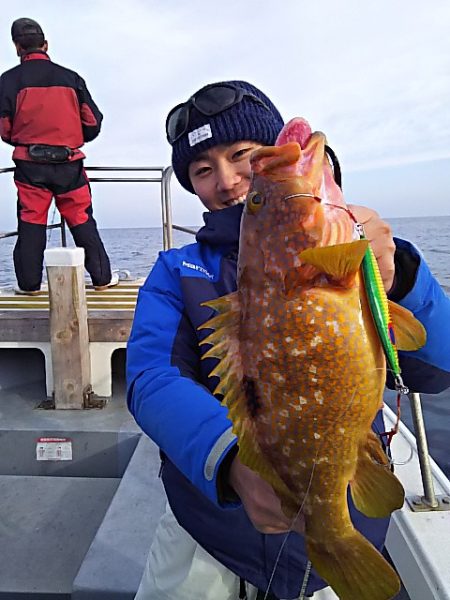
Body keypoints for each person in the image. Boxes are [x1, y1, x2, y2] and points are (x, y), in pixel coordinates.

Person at [126, 80, 450, 599]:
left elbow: (438, 369)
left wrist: (403, 282)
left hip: (342, 515)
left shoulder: (368, 257)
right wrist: (232, 461)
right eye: (202, 170)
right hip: (213, 526)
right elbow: (149, 379)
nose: (229, 181)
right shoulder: (176, 271)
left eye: (243, 156)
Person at [0, 18, 118, 295]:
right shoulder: (71, 78)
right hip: (69, 165)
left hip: (30, 166)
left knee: (31, 223)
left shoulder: (7, 81)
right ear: (46, 44)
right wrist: (70, 140)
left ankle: (29, 286)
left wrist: (26, 140)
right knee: (81, 218)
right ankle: (101, 279)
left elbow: (4, 128)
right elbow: (92, 122)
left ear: (17, 47)